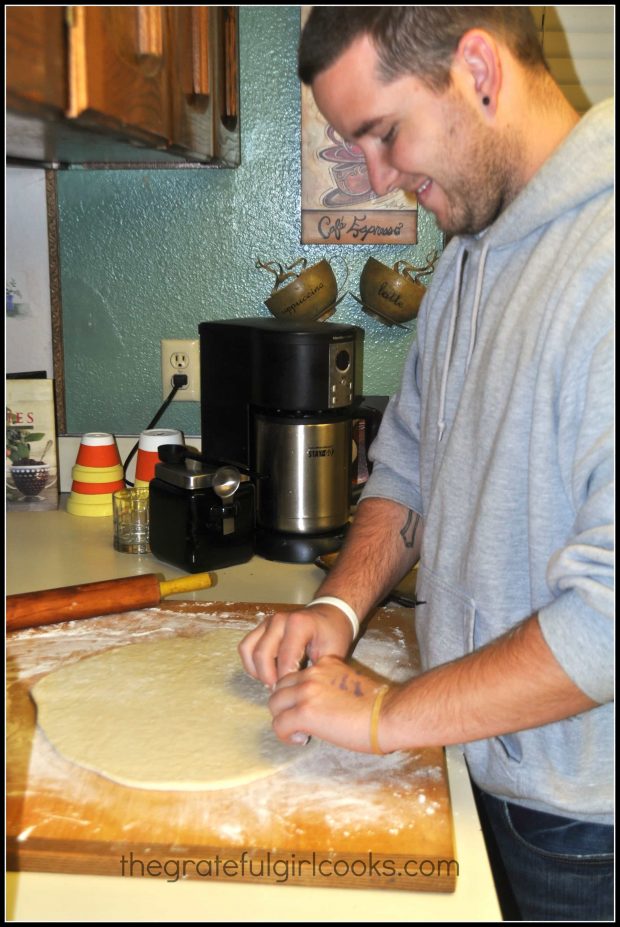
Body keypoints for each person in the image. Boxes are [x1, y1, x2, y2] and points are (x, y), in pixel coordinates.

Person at [239, 7, 614, 920]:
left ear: (478, 69)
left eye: (383, 133)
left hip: (583, 825)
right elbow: (407, 465)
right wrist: (339, 605)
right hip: (473, 751)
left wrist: (383, 718)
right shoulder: (467, 257)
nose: (378, 177)